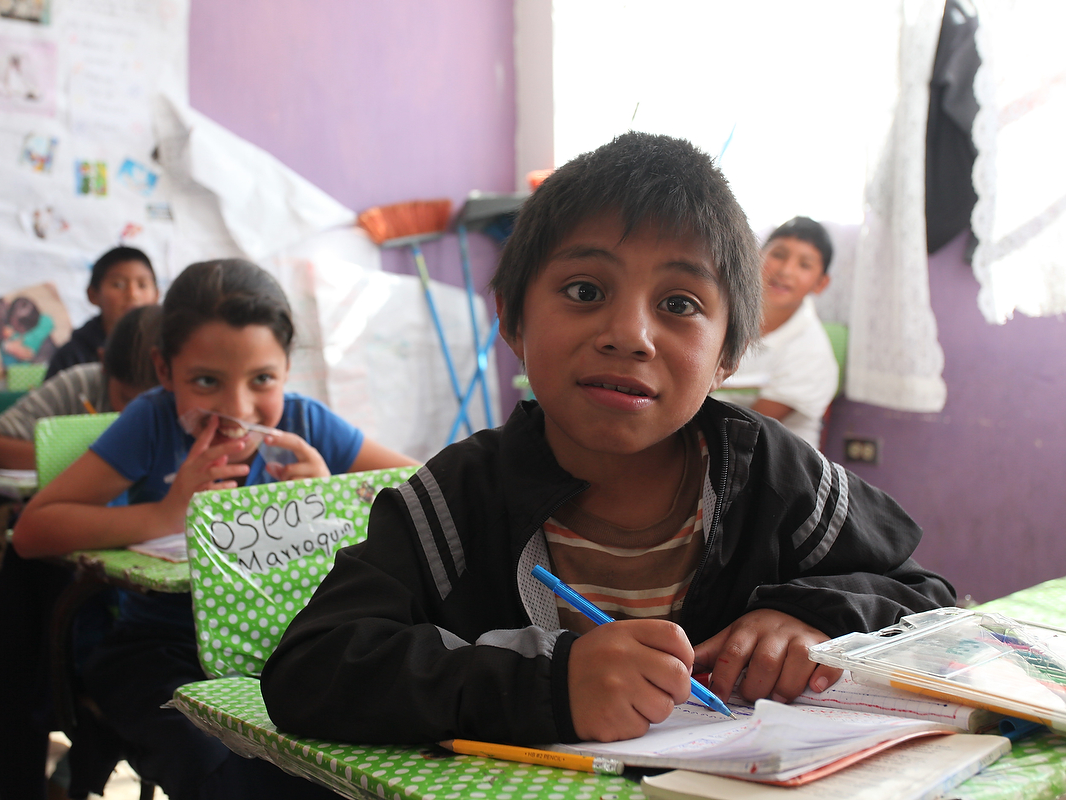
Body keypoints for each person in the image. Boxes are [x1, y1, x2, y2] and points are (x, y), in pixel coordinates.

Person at [259, 133, 955, 748]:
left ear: (729, 354)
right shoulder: (460, 498)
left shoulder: (773, 476)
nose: (629, 333)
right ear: (514, 322)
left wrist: (815, 618)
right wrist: (548, 687)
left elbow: (931, 599)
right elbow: (310, 668)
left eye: (679, 304)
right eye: (585, 290)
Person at [13, 259, 418, 799]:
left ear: (285, 371)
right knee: (232, 775)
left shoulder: (303, 424)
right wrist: (168, 511)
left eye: (262, 380)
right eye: (206, 381)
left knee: (350, 758)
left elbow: (423, 493)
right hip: (162, 648)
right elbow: (33, 529)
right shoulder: (152, 422)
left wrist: (332, 501)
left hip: (289, 643)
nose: (237, 409)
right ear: (164, 372)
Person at [0, 304, 161, 800]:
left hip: (140, 606)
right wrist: (98, 460)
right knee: (17, 626)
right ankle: (43, 774)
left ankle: (79, 765)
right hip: (63, 576)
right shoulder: (81, 383)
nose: (132, 417)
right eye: (123, 402)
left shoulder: (196, 416)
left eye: (149, 404)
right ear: (103, 367)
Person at [0, 304, 161, 472]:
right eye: (127, 400)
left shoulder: (184, 405)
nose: (139, 414)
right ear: (103, 364)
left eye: (155, 401)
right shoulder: (81, 386)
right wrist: (93, 461)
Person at [720, 216, 839, 449]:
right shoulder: (723, 311)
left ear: (820, 284)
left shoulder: (811, 353)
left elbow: (748, 430)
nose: (785, 271)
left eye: (804, 265)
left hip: (761, 463)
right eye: (778, 255)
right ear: (756, 257)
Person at [45, 246, 158, 379]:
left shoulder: (166, 350)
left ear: (156, 295)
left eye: (142, 285)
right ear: (93, 294)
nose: (133, 294)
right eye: (119, 285)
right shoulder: (72, 356)